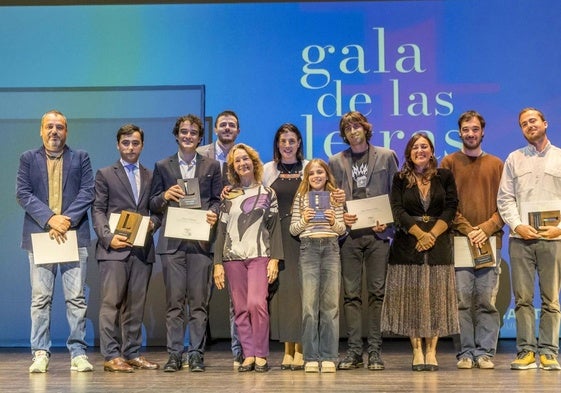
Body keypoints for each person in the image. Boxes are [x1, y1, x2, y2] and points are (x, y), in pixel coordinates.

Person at [16, 109, 95, 373]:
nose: (54, 131)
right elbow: (23, 194)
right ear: (41, 130)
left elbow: (87, 192)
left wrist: (66, 220)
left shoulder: (80, 157)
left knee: (76, 299)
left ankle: (78, 353)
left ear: (66, 131)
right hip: (40, 235)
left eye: (59, 127)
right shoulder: (28, 158)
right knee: (40, 299)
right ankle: (40, 352)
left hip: (73, 235)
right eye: (49, 126)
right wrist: (51, 219)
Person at [149, 114, 221, 372]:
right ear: (176, 135)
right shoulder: (163, 166)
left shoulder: (212, 166)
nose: (188, 136)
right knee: (174, 303)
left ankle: (196, 355)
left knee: (199, 303)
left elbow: (216, 200)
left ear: (200, 138)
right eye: (184, 132)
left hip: (201, 242)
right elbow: (153, 204)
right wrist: (165, 195)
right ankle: (174, 355)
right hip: (172, 244)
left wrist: (214, 212)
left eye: (193, 133)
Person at [382, 132, 459, 372]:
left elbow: (451, 207)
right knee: (412, 300)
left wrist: (432, 234)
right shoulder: (400, 178)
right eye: (415, 147)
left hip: (438, 245)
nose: (420, 151)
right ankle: (416, 351)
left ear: (432, 151)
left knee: (434, 299)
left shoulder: (444, 176)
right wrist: (419, 233)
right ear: (409, 153)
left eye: (424, 146)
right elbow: (396, 209)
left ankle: (431, 352)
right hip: (408, 245)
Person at [328, 111, 399, 371]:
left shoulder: (387, 156)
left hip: (378, 234)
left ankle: (376, 352)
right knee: (351, 295)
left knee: (378, 294)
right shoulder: (336, 161)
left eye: (357, 126)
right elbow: (332, 198)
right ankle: (355, 352)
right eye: (348, 128)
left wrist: (388, 222)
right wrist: (339, 212)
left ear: (366, 128)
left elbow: (396, 195)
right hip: (349, 236)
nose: (353, 131)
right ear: (344, 134)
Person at [92, 124, 161, 372]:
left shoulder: (151, 175)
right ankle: (111, 355)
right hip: (114, 249)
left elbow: (157, 210)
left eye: (135, 143)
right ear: (118, 145)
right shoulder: (105, 174)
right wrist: (108, 238)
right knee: (111, 303)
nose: (130, 147)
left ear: (142, 145)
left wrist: (152, 223)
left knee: (135, 304)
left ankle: (131, 352)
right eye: (126, 143)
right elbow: (98, 210)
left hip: (141, 249)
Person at [497, 107, 561, 371]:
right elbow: (505, 198)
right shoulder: (514, 158)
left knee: (551, 299)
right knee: (522, 299)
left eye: (533, 121)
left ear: (545, 124)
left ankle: (548, 351)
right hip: (520, 239)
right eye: (524, 124)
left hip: (553, 239)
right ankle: (525, 352)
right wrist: (518, 225)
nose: (529, 126)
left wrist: (560, 228)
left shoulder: (560, 157)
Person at [440, 111, 504, 370]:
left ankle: (485, 352)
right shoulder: (448, 163)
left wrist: (486, 228)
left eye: (475, 129)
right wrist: (469, 229)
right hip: (459, 241)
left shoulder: (497, 164)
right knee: (462, 301)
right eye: (466, 129)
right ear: (459, 133)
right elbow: (444, 203)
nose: (470, 134)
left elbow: (506, 204)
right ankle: (465, 351)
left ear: (482, 132)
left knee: (487, 300)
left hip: (490, 242)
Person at [213, 143, 283, 373]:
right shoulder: (229, 196)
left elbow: (274, 228)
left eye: (246, 159)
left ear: (253, 162)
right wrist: (217, 264)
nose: (242, 163)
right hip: (232, 257)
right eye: (237, 161)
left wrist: (275, 258)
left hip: (259, 255)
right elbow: (221, 231)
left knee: (257, 304)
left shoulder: (267, 193)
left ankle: (261, 354)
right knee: (240, 308)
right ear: (233, 167)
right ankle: (249, 354)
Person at [289, 159, 346, 373]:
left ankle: (329, 355)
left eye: (320, 172)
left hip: (331, 247)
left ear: (326, 174)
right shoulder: (301, 198)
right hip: (308, 248)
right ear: (307, 177)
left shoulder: (335, 197)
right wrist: (304, 220)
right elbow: (293, 229)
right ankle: (311, 356)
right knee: (309, 307)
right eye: (311, 173)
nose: (316, 176)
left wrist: (333, 222)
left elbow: (342, 230)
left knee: (330, 306)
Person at [197, 109, 244, 366]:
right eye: (223, 125)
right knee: (199, 296)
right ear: (215, 129)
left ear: (238, 130)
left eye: (232, 125)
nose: (227, 128)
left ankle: (240, 351)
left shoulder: (244, 156)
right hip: (204, 232)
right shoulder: (200, 154)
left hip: (237, 233)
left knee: (237, 296)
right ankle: (196, 352)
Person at [263, 123, 308, 370]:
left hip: (303, 237)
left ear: (299, 143)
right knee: (282, 294)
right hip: (277, 236)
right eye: (283, 141)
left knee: (302, 292)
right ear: (277, 144)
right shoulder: (267, 170)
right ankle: (287, 348)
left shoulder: (310, 167)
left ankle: (300, 347)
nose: (287, 145)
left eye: (292, 141)